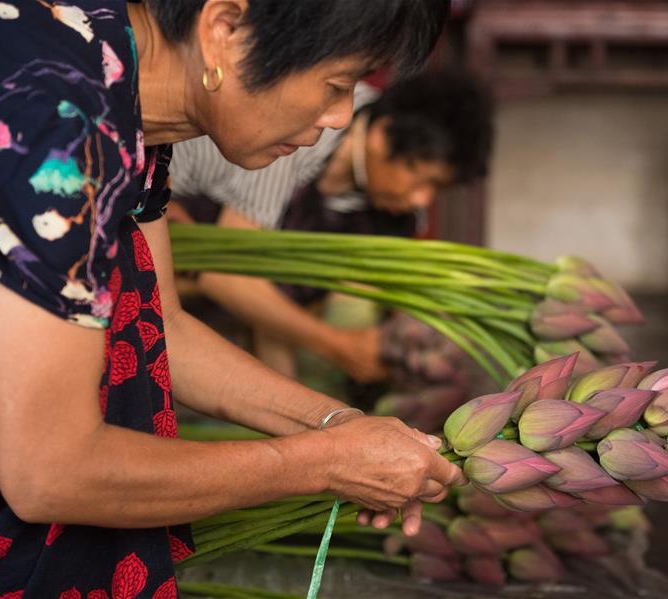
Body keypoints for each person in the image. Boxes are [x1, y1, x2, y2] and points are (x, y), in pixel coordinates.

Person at [0, 0, 465, 595]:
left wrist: (340, 426)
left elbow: (165, 332)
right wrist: (324, 464)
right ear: (226, 32)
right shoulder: (58, 114)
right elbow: (49, 472)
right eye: (337, 84)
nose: (341, 117)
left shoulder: (117, 91)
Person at [168, 70, 493, 383]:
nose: (423, 199)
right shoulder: (303, 125)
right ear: (382, 136)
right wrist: (336, 344)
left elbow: (270, 300)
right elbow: (227, 273)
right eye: (422, 179)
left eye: (438, 189)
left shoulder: (392, 219)